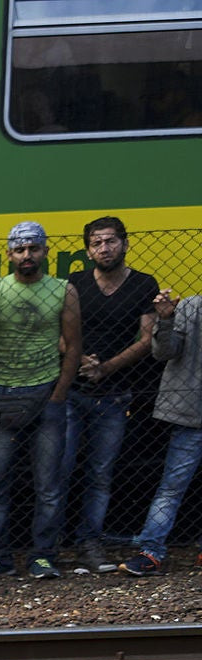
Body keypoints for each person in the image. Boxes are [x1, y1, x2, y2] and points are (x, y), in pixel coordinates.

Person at [0, 221, 84, 582]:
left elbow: (74, 346)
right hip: (2, 391)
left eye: (34, 248)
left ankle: (42, 556)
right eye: (19, 249)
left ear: (44, 251)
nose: (27, 255)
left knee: (49, 484)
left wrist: (59, 394)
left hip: (47, 392)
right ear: (9, 254)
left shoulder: (63, 290)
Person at [62, 216, 160, 568]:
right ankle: (48, 545)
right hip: (70, 391)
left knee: (100, 474)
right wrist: (77, 358)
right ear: (88, 250)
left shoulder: (144, 285)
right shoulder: (73, 283)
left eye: (111, 241)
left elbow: (148, 340)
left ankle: (89, 542)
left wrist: (106, 367)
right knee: (59, 467)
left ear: (125, 243)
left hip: (116, 395)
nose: (104, 248)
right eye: (97, 243)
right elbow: (58, 331)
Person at [121, 288, 202, 576]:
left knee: (171, 488)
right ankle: (151, 551)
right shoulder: (193, 306)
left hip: (191, 411)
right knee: (171, 487)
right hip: (194, 414)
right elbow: (164, 352)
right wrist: (165, 319)